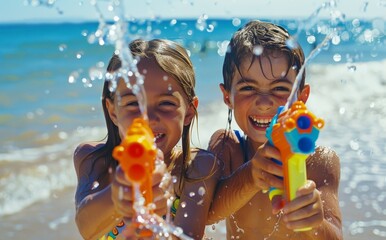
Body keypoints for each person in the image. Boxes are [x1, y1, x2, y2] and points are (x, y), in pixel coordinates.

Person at [206, 20, 343, 239]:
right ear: (227, 96)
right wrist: (251, 175)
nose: (264, 102)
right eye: (248, 88)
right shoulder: (228, 147)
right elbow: (206, 214)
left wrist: (314, 224)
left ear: (301, 97)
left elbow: (335, 235)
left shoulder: (319, 162)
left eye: (280, 88)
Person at [74, 38, 220, 239]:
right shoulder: (92, 159)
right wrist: (118, 195)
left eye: (166, 103)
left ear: (189, 111)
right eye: (133, 103)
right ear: (113, 111)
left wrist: (159, 218)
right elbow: (86, 228)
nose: (148, 118)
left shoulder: (197, 168)